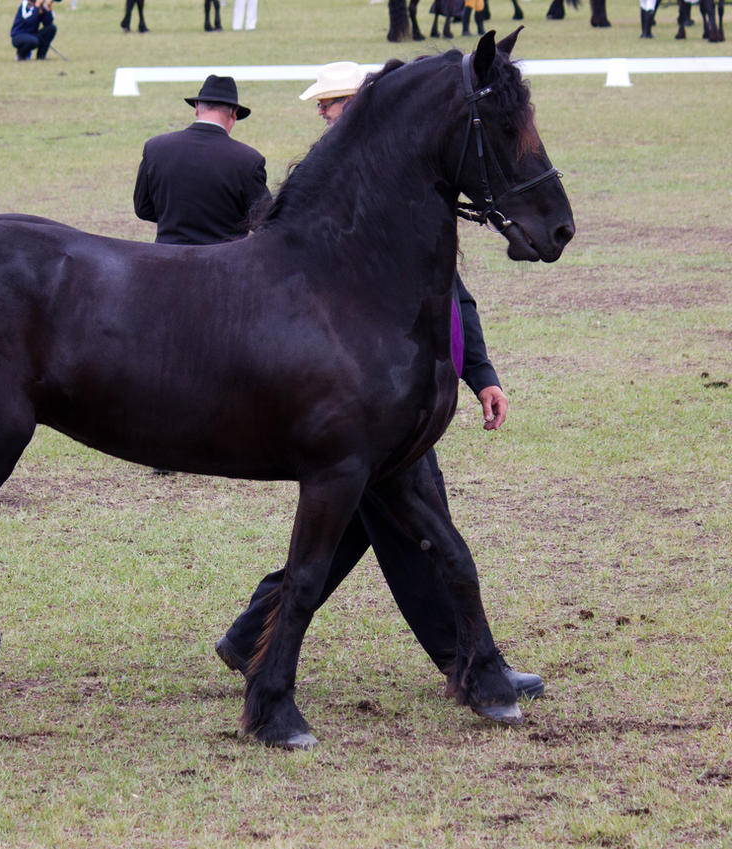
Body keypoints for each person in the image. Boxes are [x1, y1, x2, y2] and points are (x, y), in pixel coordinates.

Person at [215, 62, 544, 705]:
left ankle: (251, 632)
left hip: (398, 389)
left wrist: (480, 373)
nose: (329, 117)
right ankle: (472, 662)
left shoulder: (406, 172)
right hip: (361, 392)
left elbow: (452, 293)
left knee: (364, 527)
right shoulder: (342, 184)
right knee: (405, 524)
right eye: (326, 108)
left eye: (337, 104)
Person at [133, 75, 271, 246]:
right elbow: (265, 222)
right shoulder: (248, 160)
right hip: (221, 264)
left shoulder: (155, 148)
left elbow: (143, 209)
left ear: (197, 108)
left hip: (167, 260)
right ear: (234, 114)